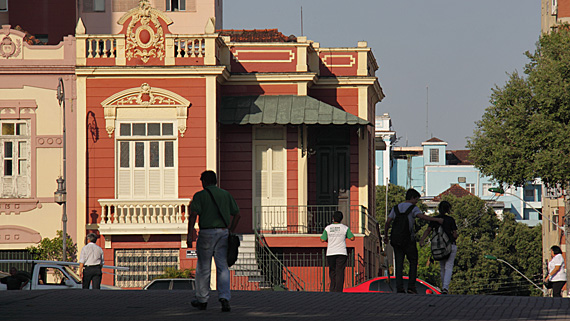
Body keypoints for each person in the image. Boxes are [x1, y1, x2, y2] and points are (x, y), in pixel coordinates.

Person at [188, 170, 240, 312]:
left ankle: (202, 299)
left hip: (206, 233)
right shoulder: (225, 194)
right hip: (223, 232)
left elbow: (193, 215)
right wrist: (231, 230)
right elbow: (237, 214)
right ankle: (224, 298)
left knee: (204, 267)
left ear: (204, 181)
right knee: (222, 267)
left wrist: (189, 234)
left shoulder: (200, 196)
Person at [383, 188, 443, 294]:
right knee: (413, 261)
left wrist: (386, 236)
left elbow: (388, 222)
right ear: (412, 198)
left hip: (396, 240)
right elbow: (422, 217)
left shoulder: (396, 208)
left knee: (399, 264)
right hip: (408, 240)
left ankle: (399, 287)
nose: (416, 202)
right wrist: (436, 219)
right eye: (416, 199)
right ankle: (411, 286)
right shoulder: (413, 208)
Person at [419, 200, 458, 294]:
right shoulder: (450, 220)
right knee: (449, 266)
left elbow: (428, 230)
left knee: (442, 267)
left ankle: (443, 286)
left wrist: (422, 239)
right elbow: (455, 234)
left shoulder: (434, 219)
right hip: (450, 245)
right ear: (448, 209)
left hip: (439, 247)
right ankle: (445, 288)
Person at [320, 211, 355, 292]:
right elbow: (352, 238)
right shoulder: (345, 228)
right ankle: (339, 290)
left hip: (331, 252)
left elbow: (322, 239)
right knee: (340, 272)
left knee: (332, 271)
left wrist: (329, 240)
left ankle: (332, 288)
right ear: (341, 219)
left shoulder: (328, 228)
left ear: (333, 218)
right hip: (342, 252)